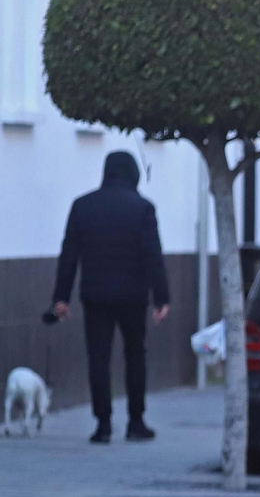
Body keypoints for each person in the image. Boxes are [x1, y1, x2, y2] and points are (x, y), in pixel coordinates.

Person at [52, 151, 171, 444]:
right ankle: (136, 421)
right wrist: (161, 298)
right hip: (133, 296)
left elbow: (69, 255)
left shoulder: (83, 206)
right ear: (133, 174)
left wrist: (61, 297)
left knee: (98, 358)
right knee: (135, 356)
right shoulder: (143, 208)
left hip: (95, 297)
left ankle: (103, 424)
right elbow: (153, 256)